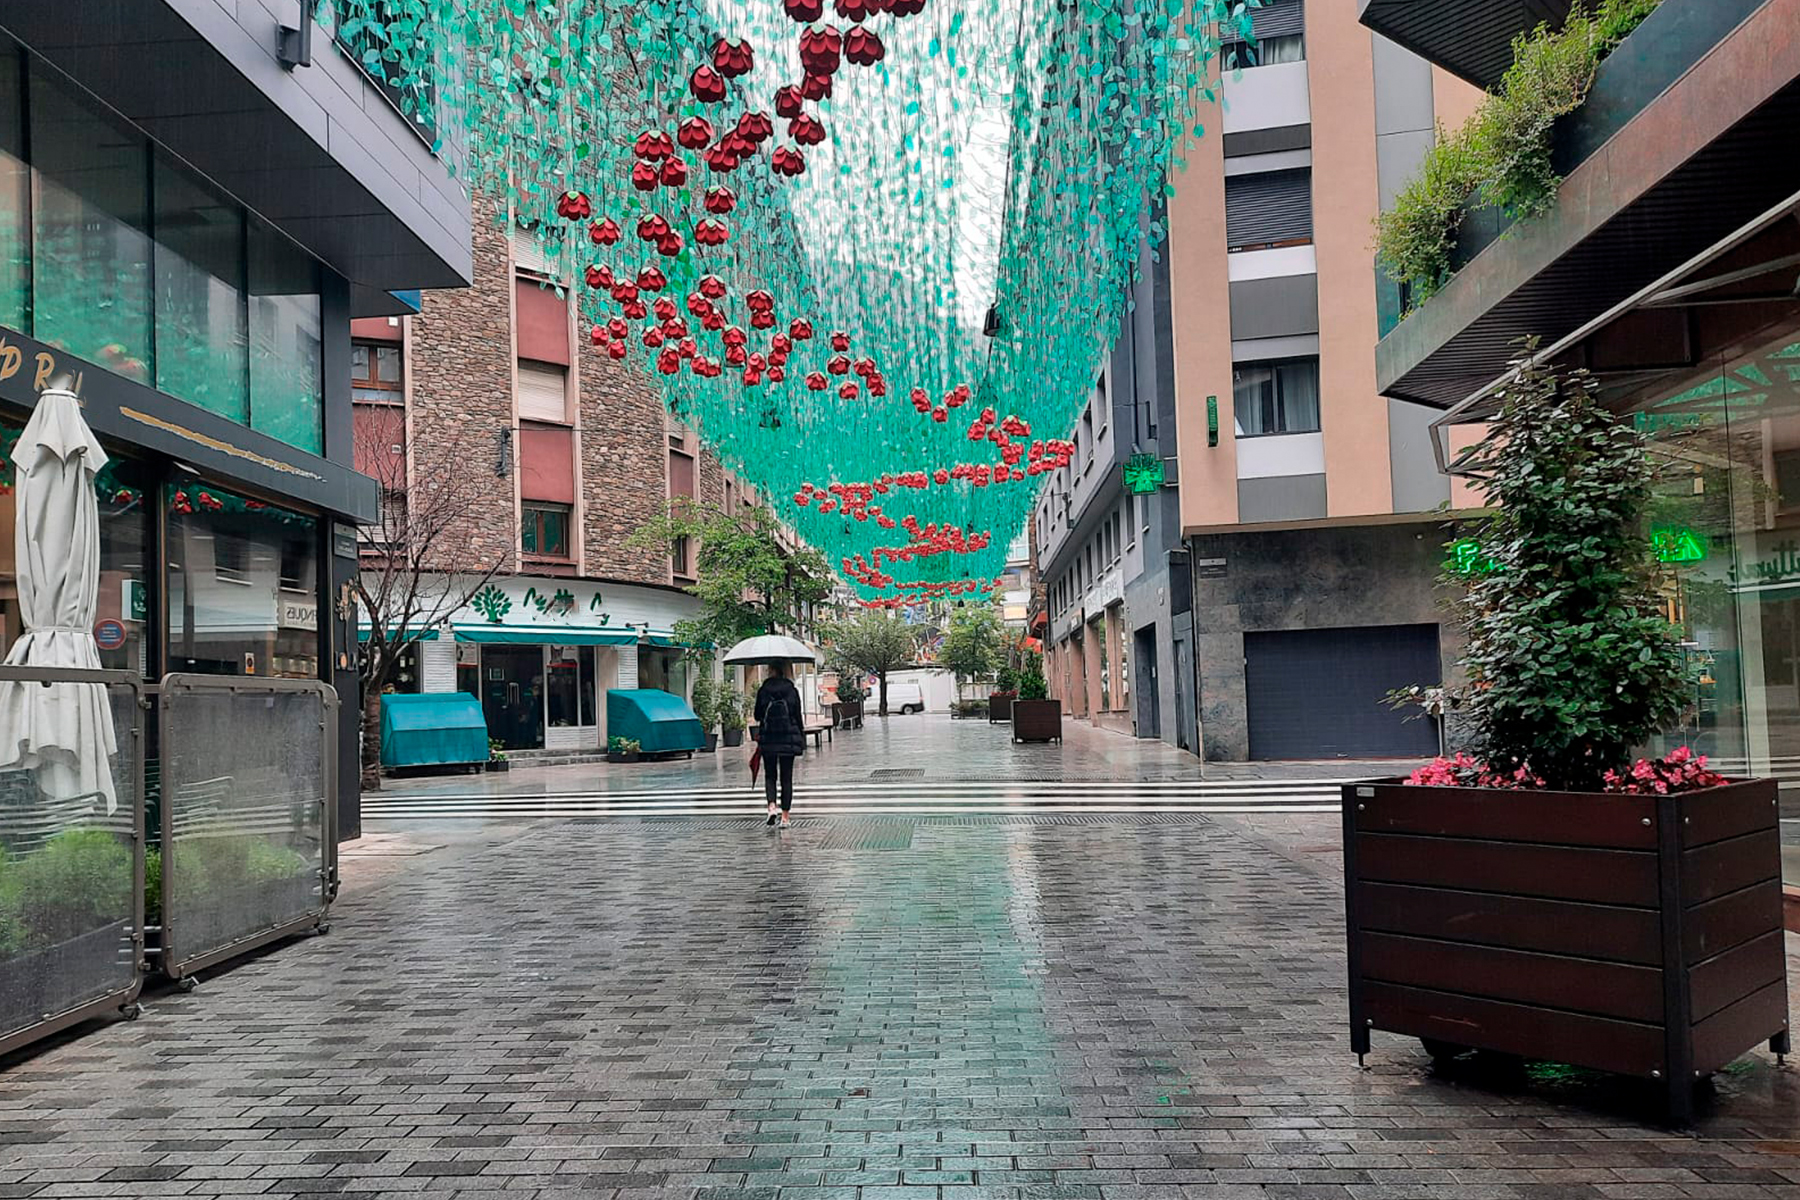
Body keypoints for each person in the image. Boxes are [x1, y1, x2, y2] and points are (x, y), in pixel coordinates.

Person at [753, 661, 805, 828]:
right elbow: (797, 715)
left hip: (769, 738)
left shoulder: (764, 690)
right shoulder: (791, 690)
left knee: (770, 775)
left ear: (770, 669)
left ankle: (771, 807)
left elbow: (757, 715)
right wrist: (801, 737)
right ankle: (785, 817)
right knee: (786, 778)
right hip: (788, 739)